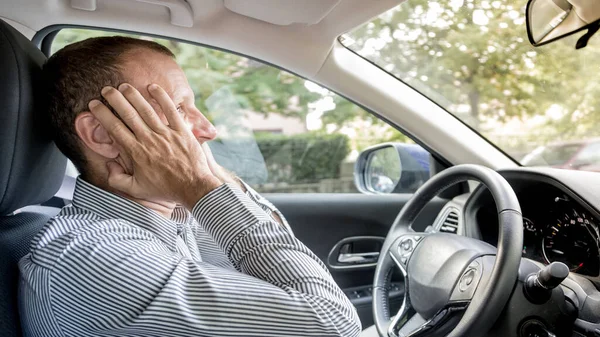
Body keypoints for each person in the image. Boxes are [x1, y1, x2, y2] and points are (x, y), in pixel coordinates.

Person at [18, 36, 361, 337]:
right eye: (179, 108)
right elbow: (331, 323)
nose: (209, 130)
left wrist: (216, 183)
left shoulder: (181, 216)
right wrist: (200, 185)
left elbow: (278, 274)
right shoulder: (89, 257)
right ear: (102, 134)